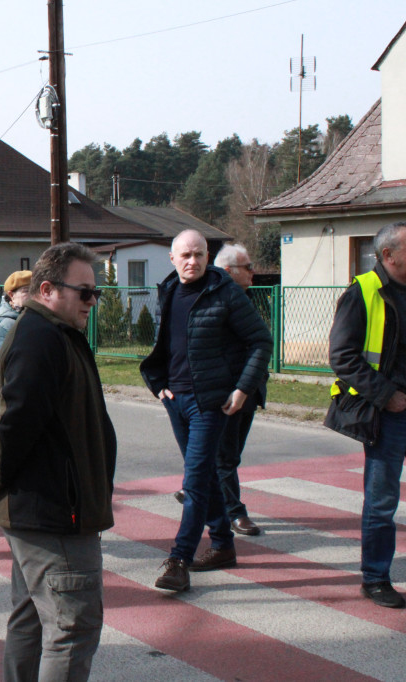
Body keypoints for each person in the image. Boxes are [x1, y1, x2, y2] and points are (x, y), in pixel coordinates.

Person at [0, 243, 116, 682]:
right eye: (85, 292)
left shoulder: (49, 332)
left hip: (45, 509)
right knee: (72, 627)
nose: (93, 302)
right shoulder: (41, 337)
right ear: (48, 288)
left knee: (32, 619)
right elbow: (16, 418)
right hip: (54, 515)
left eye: (96, 293)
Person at [141, 229, 271, 592]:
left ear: (208, 256)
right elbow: (165, 344)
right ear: (172, 258)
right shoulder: (167, 290)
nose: (192, 261)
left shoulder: (225, 291)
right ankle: (223, 544)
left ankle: (179, 558)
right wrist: (159, 384)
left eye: (199, 254)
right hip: (175, 400)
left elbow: (261, 340)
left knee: (195, 479)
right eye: (185, 255)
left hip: (209, 403)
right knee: (207, 475)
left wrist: (243, 389)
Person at [328, 220, 406, 609]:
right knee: (382, 499)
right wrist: (386, 395)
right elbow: (342, 356)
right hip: (388, 413)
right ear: (388, 255)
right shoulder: (363, 291)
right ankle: (375, 577)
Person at [173, 243, 267, 536]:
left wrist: (247, 387)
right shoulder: (216, 297)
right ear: (228, 271)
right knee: (224, 456)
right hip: (223, 393)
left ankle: (195, 488)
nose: (253, 272)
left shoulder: (243, 299)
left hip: (247, 391)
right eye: (247, 267)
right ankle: (233, 512)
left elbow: (259, 343)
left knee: (230, 455)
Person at [0, 270, 31, 379]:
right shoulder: (1, 327)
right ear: (11, 295)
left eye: (35, 291)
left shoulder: (33, 320)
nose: (32, 296)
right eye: (26, 291)